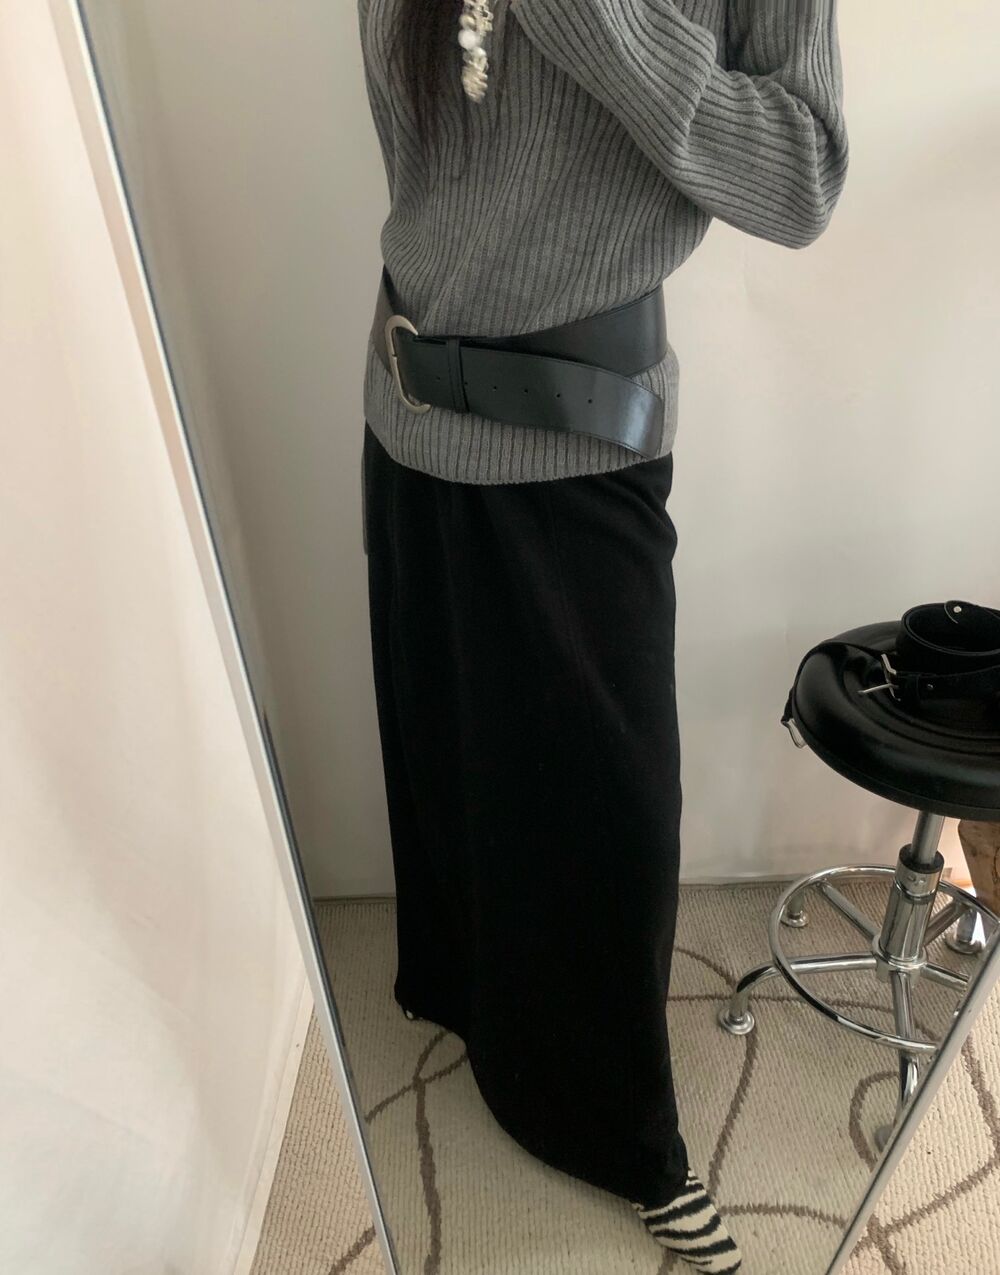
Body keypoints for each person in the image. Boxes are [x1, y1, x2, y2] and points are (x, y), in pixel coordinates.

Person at [357, 1, 849, 1269]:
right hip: (408, 404)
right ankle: (468, 1001)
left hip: (576, 428)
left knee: (602, 807)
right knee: (450, 751)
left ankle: (624, 1136)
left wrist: (595, 18)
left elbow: (801, 176)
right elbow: (423, 144)